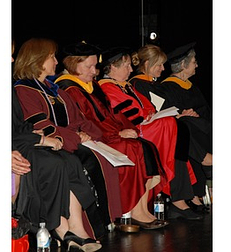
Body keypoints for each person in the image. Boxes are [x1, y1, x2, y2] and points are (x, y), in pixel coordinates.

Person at [13, 37, 122, 241]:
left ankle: (104, 222)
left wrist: (88, 133)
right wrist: (75, 138)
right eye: (51, 57)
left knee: (103, 159)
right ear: (37, 59)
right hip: (47, 145)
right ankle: (86, 229)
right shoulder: (24, 89)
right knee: (86, 160)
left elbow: (77, 120)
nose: (56, 61)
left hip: (65, 141)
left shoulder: (55, 90)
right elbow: (39, 125)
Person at [55, 41, 167, 229]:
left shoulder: (90, 85)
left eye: (95, 66)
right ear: (74, 64)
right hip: (91, 139)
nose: (95, 71)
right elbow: (86, 121)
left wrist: (127, 129)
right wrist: (116, 134)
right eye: (89, 66)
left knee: (143, 145)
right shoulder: (69, 88)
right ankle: (128, 210)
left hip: (105, 134)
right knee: (130, 147)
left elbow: (111, 114)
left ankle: (141, 208)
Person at [98, 47, 203, 220]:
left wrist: (150, 113)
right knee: (172, 125)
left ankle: (181, 194)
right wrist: (146, 116)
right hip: (137, 130)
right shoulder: (107, 88)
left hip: (147, 126)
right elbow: (129, 115)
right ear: (113, 67)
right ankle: (179, 195)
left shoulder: (125, 86)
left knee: (178, 128)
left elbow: (146, 106)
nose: (131, 70)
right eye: (126, 66)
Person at [130, 44, 211, 211]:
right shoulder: (138, 85)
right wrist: (178, 116)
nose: (163, 68)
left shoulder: (153, 84)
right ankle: (204, 163)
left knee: (190, 125)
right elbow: (150, 111)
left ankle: (194, 190)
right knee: (183, 127)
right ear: (147, 65)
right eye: (159, 65)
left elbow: (166, 106)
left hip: (168, 125)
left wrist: (182, 113)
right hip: (150, 130)